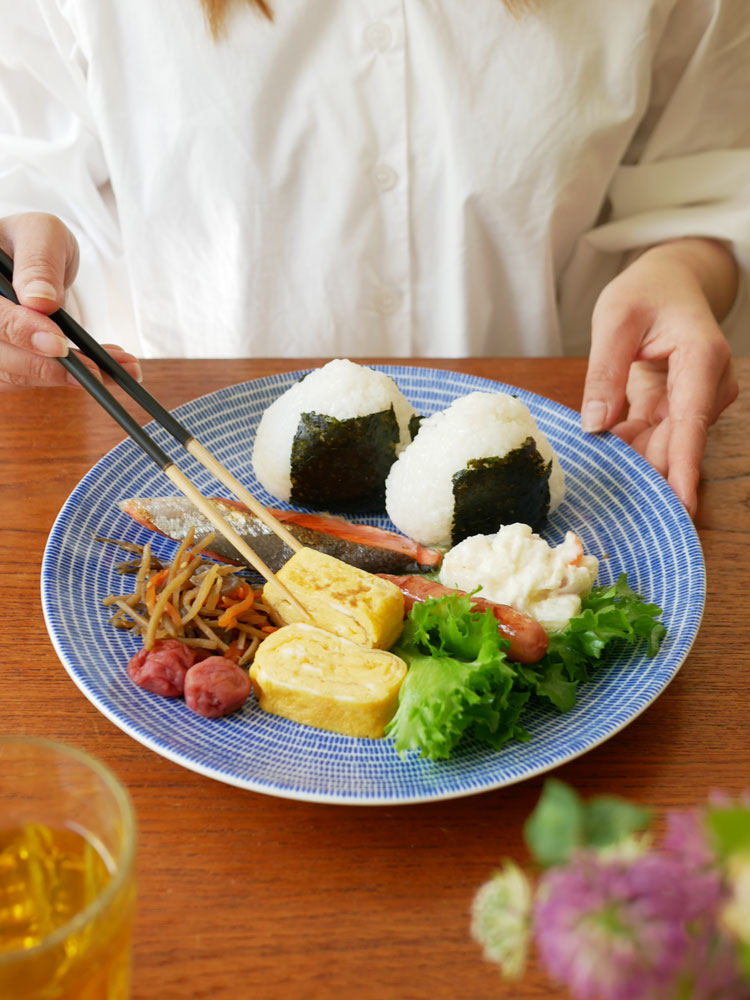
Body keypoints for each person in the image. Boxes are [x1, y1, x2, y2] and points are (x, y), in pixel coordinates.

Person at [0, 0, 747, 519]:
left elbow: (700, 177)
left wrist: (683, 268)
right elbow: (28, 166)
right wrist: (20, 259)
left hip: (579, 460)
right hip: (188, 452)